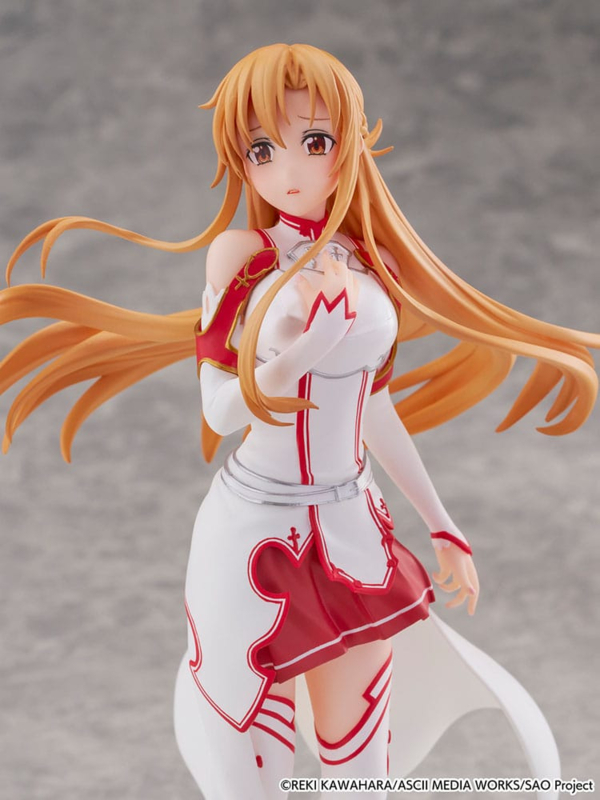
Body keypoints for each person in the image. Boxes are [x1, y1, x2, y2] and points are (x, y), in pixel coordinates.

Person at [1, 44, 598, 800]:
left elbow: (373, 404)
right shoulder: (240, 258)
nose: (288, 169)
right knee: (253, 768)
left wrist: (442, 524)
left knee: (361, 770)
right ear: (241, 162)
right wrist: (304, 351)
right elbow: (220, 407)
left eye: (314, 141)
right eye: (262, 149)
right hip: (255, 534)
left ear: (349, 144)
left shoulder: (371, 263)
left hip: (353, 530)